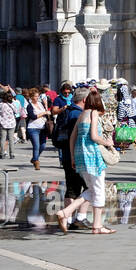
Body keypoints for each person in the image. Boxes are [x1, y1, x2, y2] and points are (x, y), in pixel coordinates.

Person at [56, 88, 115, 234]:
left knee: (92, 189)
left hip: (80, 155)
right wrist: (107, 143)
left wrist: (73, 157)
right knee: (99, 190)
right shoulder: (93, 113)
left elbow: (72, 138)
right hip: (92, 155)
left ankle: (66, 212)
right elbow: (94, 136)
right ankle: (97, 226)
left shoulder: (82, 114)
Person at [53, 85, 90, 222]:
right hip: (77, 156)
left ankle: (68, 219)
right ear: (85, 99)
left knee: (72, 188)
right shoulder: (78, 114)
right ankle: (80, 217)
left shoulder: (68, 110)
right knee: (89, 187)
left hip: (67, 154)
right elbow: (78, 137)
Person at [25, 87, 50, 170]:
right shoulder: (29, 106)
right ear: (31, 97)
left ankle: (34, 158)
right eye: (36, 96)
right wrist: (44, 113)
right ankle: (36, 162)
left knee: (43, 146)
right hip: (33, 128)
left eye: (38, 96)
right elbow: (32, 116)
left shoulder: (40, 104)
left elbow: (46, 113)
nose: (37, 98)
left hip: (43, 128)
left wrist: (46, 107)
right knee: (36, 146)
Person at [0, 91, 18, 159]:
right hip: (11, 123)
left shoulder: (0, 104)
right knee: (11, 139)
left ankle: (2, 154)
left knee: (3, 139)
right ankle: (12, 154)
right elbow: (16, 112)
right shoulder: (12, 104)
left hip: (2, 123)